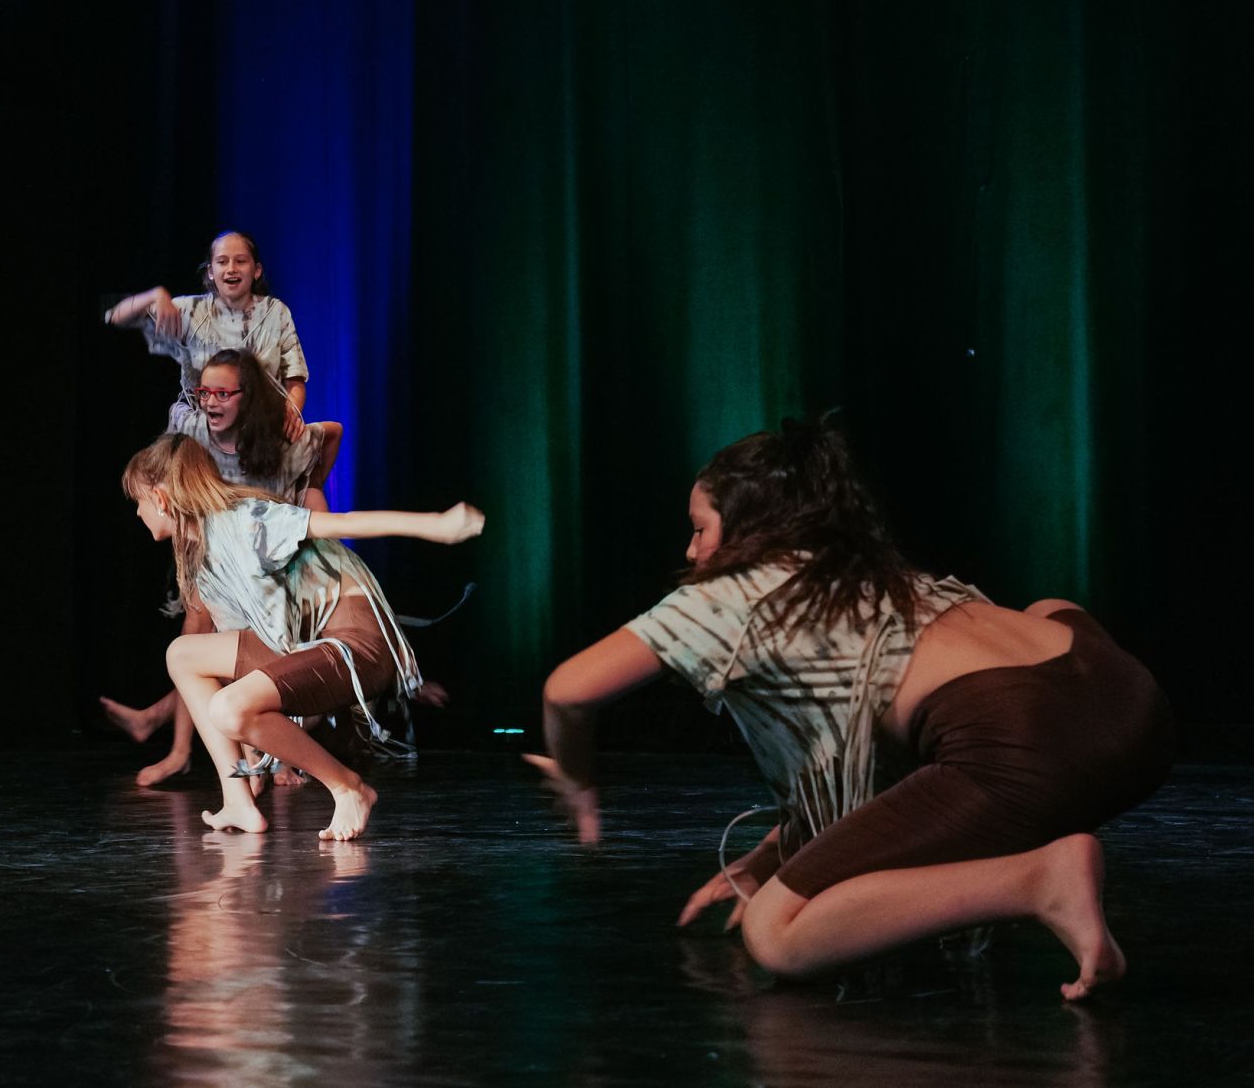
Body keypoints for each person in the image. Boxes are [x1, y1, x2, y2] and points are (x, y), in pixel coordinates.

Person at [527, 417, 1173, 1001]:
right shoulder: (868, 572)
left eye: (700, 529)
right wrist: (782, 855)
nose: (692, 552)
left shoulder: (732, 594)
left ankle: (1039, 881)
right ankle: (1040, 862)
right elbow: (881, 777)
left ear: (748, 528)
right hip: (1129, 703)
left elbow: (568, 689)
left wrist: (577, 778)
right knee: (1042, 609)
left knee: (776, 933)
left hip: (1025, 743)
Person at [123, 434, 483, 840]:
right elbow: (238, 659)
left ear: (160, 498)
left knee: (229, 709)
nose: (137, 511)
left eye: (138, 500)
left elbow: (341, 523)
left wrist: (437, 525)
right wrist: (252, 758)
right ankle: (238, 800)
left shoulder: (246, 521)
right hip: (306, 646)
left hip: (354, 644)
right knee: (183, 654)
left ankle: (348, 788)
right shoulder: (205, 555)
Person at [99, 349, 342, 785]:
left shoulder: (272, 436)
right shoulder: (194, 430)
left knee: (252, 647)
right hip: (209, 549)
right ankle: (181, 750)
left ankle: (269, 755)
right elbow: (166, 470)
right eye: (204, 392)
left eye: (222, 394)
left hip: (260, 555)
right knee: (194, 639)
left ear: (249, 397)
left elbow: (331, 434)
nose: (210, 401)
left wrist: (310, 490)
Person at [105, 232, 309, 440]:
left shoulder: (275, 312)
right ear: (211, 271)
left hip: (259, 433)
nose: (231, 268)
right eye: (222, 262)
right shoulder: (191, 311)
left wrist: (290, 415)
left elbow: (295, 378)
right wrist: (155, 295)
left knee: (321, 436)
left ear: (256, 270)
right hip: (200, 433)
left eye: (240, 261)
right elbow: (115, 316)